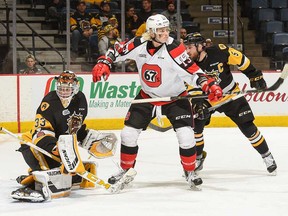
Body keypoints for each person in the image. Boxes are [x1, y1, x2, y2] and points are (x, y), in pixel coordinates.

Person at [90, 14, 223, 189]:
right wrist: (105, 62)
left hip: (175, 98)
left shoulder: (174, 48)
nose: (165, 33)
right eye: (160, 30)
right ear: (151, 32)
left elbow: (192, 71)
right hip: (147, 96)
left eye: (166, 29)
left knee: (186, 136)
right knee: (128, 135)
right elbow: (117, 50)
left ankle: (190, 171)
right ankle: (126, 170)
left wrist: (208, 85)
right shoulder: (139, 43)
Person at [11, 70, 117, 202]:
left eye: (67, 89)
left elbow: (74, 128)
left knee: (62, 169)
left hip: (61, 144)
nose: (63, 92)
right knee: (47, 167)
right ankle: (36, 184)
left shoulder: (80, 100)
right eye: (61, 88)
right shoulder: (49, 101)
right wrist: (56, 148)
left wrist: (90, 140)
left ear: (76, 88)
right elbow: (40, 132)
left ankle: (76, 175)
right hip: (36, 142)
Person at [183, 32, 277, 174]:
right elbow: (191, 86)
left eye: (189, 47)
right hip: (206, 99)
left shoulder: (220, 51)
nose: (187, 51)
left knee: (248, 126)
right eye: (186, 47)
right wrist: (198, 104)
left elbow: (241, 60)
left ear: (201, 46)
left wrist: (254, 75)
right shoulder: (188, 64)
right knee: (196, 127)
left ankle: (267, 156)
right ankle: (198, 158)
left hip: (230, 95)